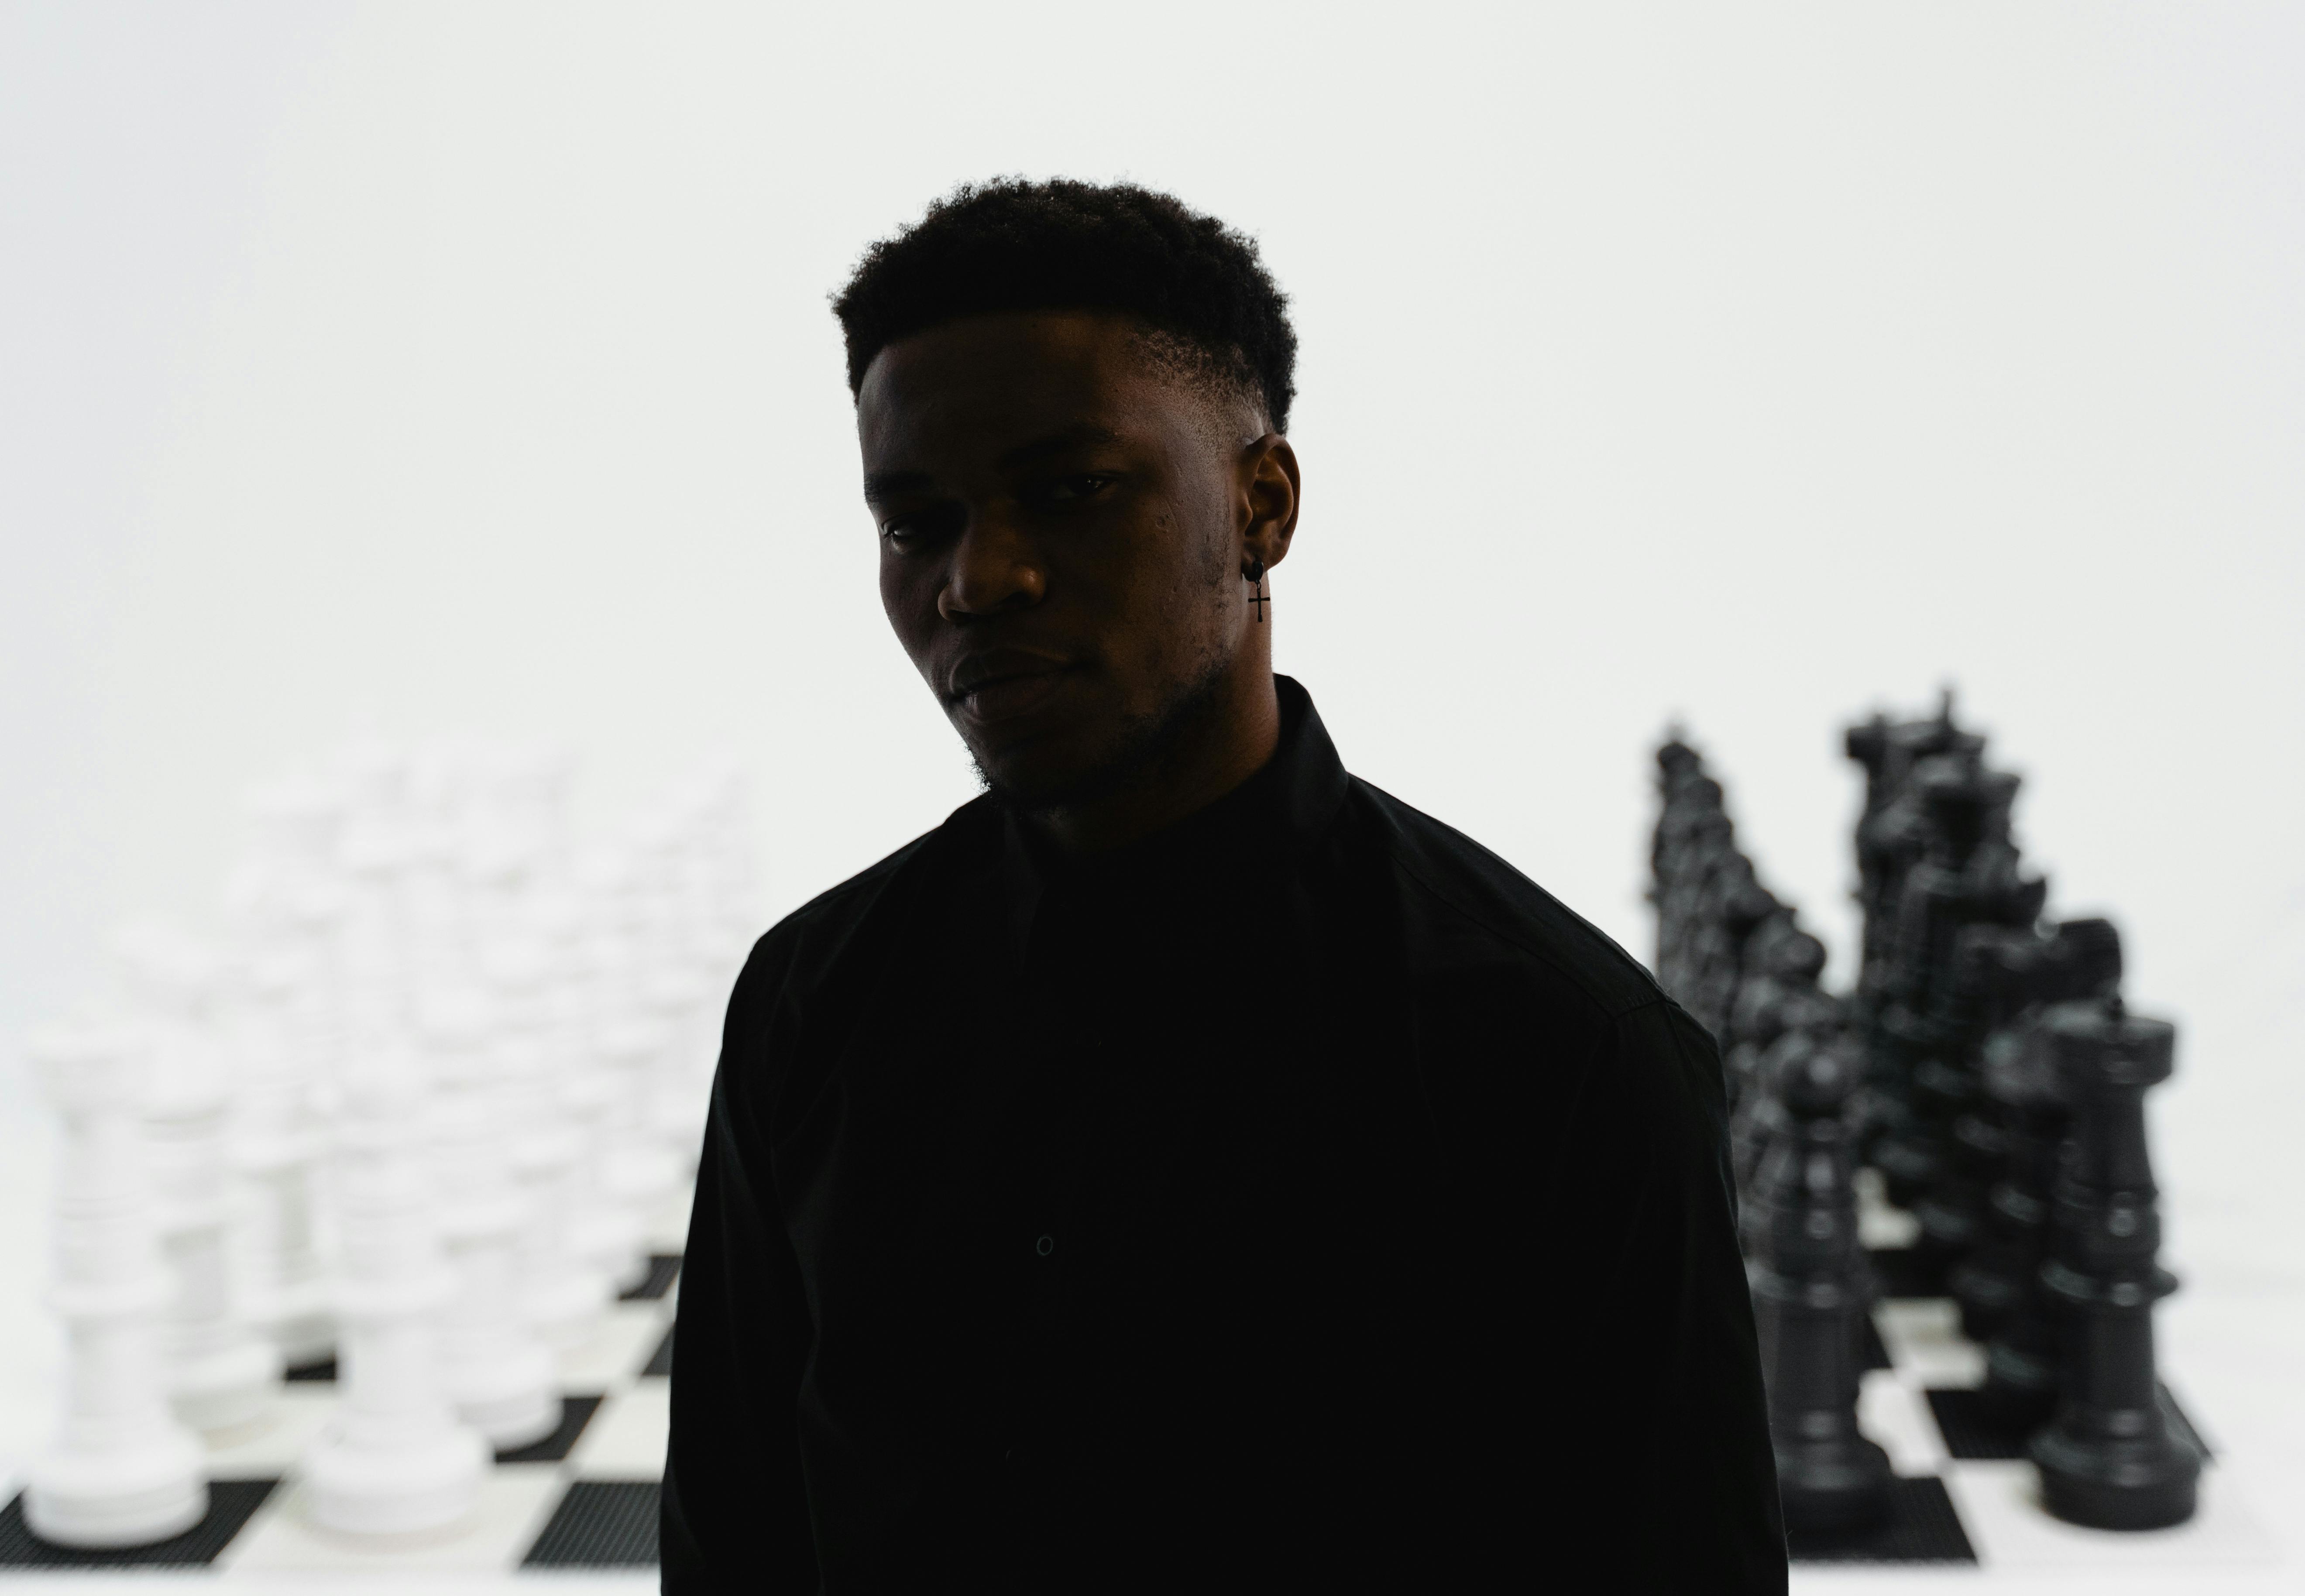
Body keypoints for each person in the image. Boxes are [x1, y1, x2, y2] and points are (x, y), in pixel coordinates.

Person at [660, 177, 1786, 1593]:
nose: (976, 579)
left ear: (1263, 504)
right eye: (916, 522)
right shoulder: (808, 1001)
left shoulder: (1567, 1058)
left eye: (1069, 490)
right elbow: (733, 1539)